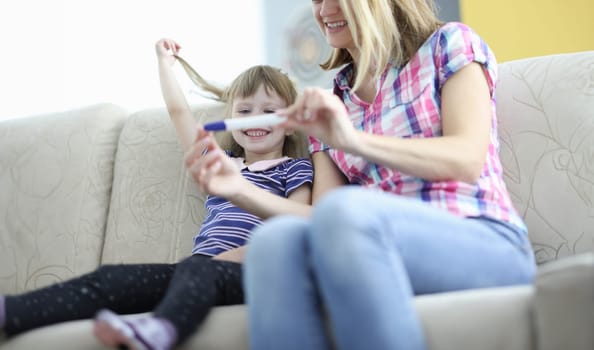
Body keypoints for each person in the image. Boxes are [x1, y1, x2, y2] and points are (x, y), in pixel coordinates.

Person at [243, 1, 537, 349]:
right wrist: (237, 189)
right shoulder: (332, 102)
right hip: (372, 243)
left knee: (346, 212)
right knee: (273, 243)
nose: (323, 10)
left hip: (485, 239)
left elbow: (466, 158)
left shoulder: (448, 44)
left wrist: (353, 141)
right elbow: (321, 218)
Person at [0, 38, 313, 350]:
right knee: (114, 279)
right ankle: (11, 310)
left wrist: (231, 259)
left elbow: (293, 226)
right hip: (200, 269)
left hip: (255, 272)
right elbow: (179, 113)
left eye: (268, 111)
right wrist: (165, 65)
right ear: (230, 119)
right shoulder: (220, 164)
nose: (254, 118)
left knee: (197, 269)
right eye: (244, 110)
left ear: (289, 125)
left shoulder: (294, 168)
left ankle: (159, 331)